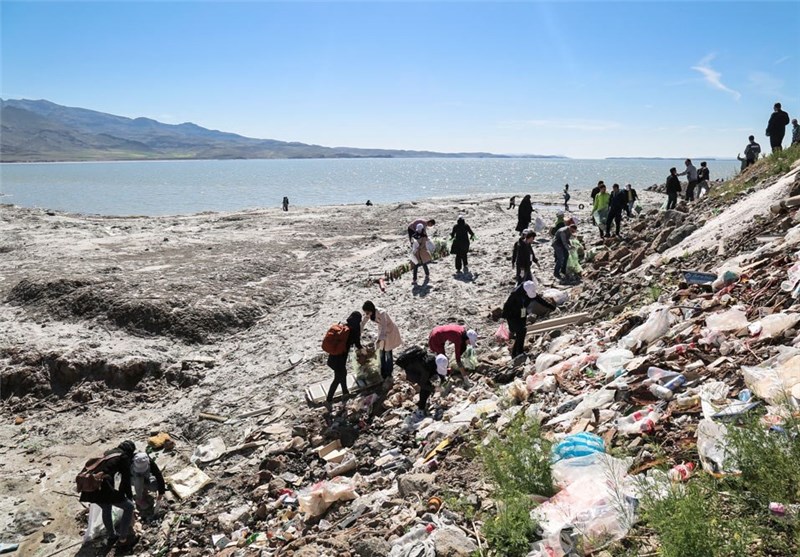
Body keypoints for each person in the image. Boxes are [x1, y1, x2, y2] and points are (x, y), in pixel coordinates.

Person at [78, 440, 137, 547]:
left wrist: (118, 495)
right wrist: (128, 498)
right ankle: (123, 538)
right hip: (102, 488)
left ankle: (112, 535)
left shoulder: (109, 453)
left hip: (89, 488)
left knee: (106, 507)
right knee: (129, 507)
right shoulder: (123, 457)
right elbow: (126, 481)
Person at [502, 280, 556, 358]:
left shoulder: (528, 290)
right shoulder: (515, 294)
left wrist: (551, 307)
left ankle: (515, 353)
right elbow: (507, 306)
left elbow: (538, 299)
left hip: (521, 315)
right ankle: (519, 352)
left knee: (521, 332)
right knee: (521, 331)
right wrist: (504, 317)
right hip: (512, 316)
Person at [395, 346, 448, 417]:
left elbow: (440, 374)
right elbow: (422, 384)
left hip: (419, 369)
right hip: (413, 373)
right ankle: (421, 409)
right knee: (426, 387)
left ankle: (424, 404)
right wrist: (434, 389)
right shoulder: (426, 368)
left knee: (430, 384)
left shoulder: (434, 360)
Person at [325, 311, 362, 408]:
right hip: (340, 360)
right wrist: (363, 350)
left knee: (342, 374)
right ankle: (328, 400)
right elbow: (357, 344)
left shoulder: (344, 327)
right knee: (338, 378)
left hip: (333, 357)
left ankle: (345, 393)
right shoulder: (353, 331)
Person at [361, 301, 402, 380]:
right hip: (382, 332)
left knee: (388, 353)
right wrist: (359, 331)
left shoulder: (382, 313)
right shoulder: (370, 314)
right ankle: (383, 371)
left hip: (389, 331)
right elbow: (363, 322)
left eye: (367, 312)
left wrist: (379, 340)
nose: (366, 314)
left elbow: (384, 326)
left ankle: (389, 373)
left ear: (371, 309)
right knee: (381, 352)